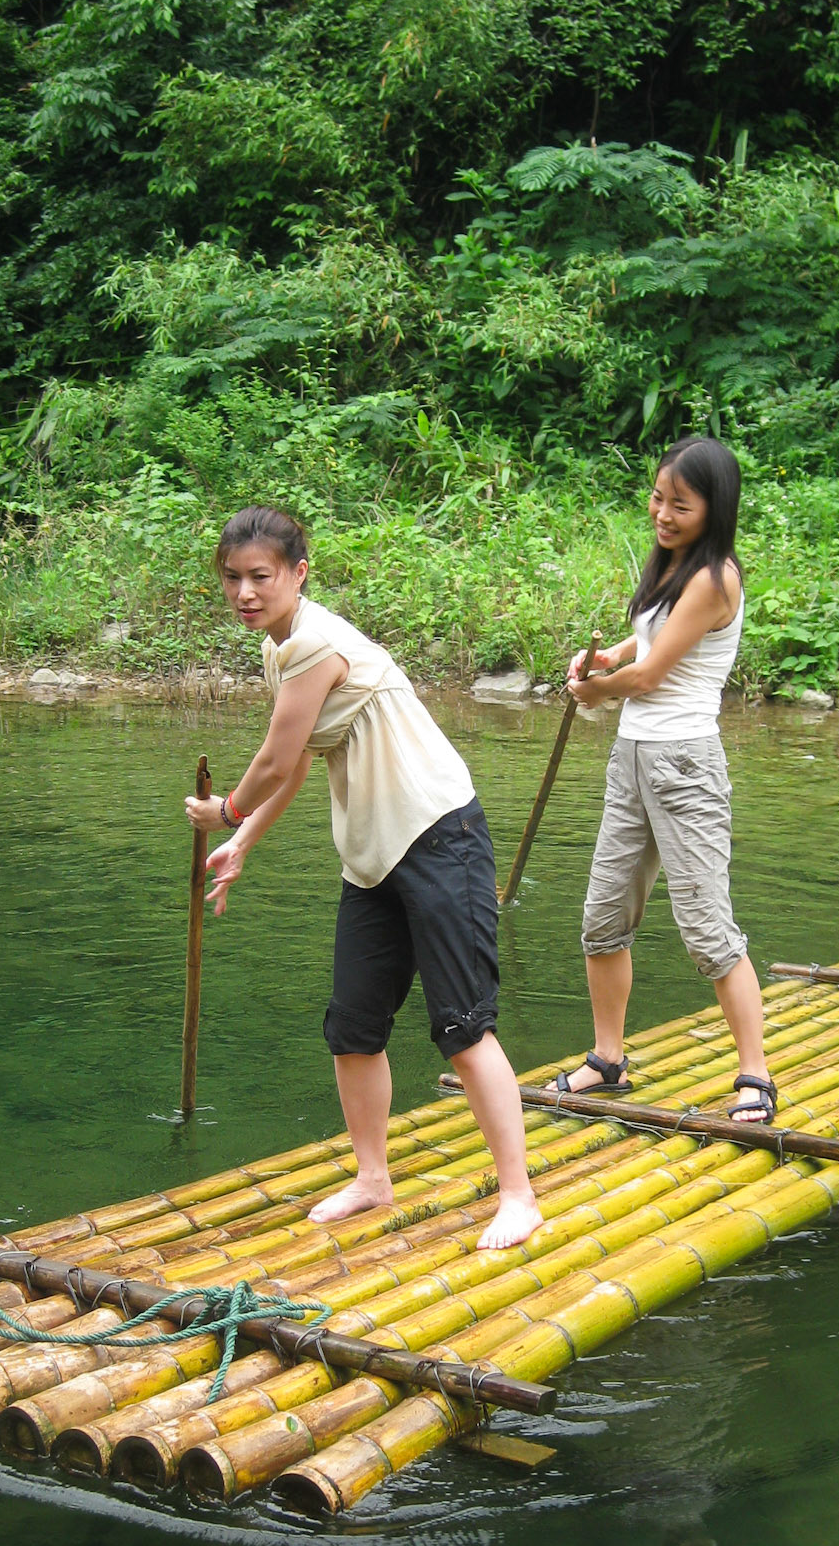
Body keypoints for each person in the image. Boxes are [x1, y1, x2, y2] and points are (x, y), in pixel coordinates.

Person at [185, 505, 542, 1252]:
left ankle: (519, 1195)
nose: (245, 592)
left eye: (260, 577)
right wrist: (244, 840)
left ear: (298, 574)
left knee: (462, 1027)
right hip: (373, 855)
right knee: (352, 1026)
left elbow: (273, 761)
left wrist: (226, 810)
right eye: (232, 578)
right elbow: (301, 755)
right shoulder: (282, 647)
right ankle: (373, 1178)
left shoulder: (316, 643)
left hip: (439, 836)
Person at [562, 436, 775, 1123]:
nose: (662, 514)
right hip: (632, 759)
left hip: (684, 763)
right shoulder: (675, 566)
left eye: (680, 505)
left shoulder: (715, 578)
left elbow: (651, 677)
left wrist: (598, 690)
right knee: (602, 919)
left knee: (707, 928)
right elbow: (651, 642)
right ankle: (608, 1060)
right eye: (658, 498)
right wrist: (607, 657)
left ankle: (755, 1076)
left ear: (715, 509)